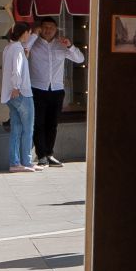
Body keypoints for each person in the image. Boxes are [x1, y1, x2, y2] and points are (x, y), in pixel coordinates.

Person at [25, 18, 84, 167]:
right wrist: (34, 35)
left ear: (56, 29)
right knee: (38, 123)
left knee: (52, 124)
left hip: (56, 90)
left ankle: (49, 154)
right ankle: (41, 155)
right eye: (45, 27)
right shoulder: (35, 44)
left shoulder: (61, 45)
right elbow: (24, 49)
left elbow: (80, 59)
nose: (48, 30)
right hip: (38, 88)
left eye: (51, 27)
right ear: (41, 28)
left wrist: (70, 46)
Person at [0, 22, 37, 173]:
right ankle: (26, 161)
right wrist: (16, 86)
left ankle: (15, 163)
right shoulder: (18, 48)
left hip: (9, 94)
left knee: (16, 129)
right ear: (25, 33)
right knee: (28, 128)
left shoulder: (8, 48)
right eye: (29, 33)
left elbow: (11, 68)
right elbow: (17, 69)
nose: (29, 35)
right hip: (22, 93)